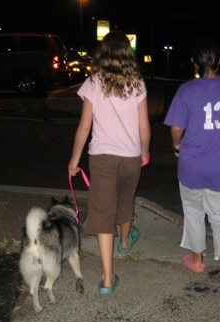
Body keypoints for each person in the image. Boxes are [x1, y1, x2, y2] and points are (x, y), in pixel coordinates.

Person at [163, 37, 220, 298]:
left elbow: (176, 128)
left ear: (194, 62)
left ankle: (198, 260)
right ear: (219, 60)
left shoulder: (186, 91)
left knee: (193, 212)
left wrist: (177, 144)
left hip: (191, 167)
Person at [68, 30, 151, 295]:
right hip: (130, 155)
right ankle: (126, 241)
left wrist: (74, 160)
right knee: (126, 199)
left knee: (103, 211)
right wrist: (145, 151)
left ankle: (107, 278)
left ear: (103, 54)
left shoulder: (93, 82)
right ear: (128, 54)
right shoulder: (137, 83)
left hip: (102, 156)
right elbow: (144, 125)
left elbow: (84, 127)